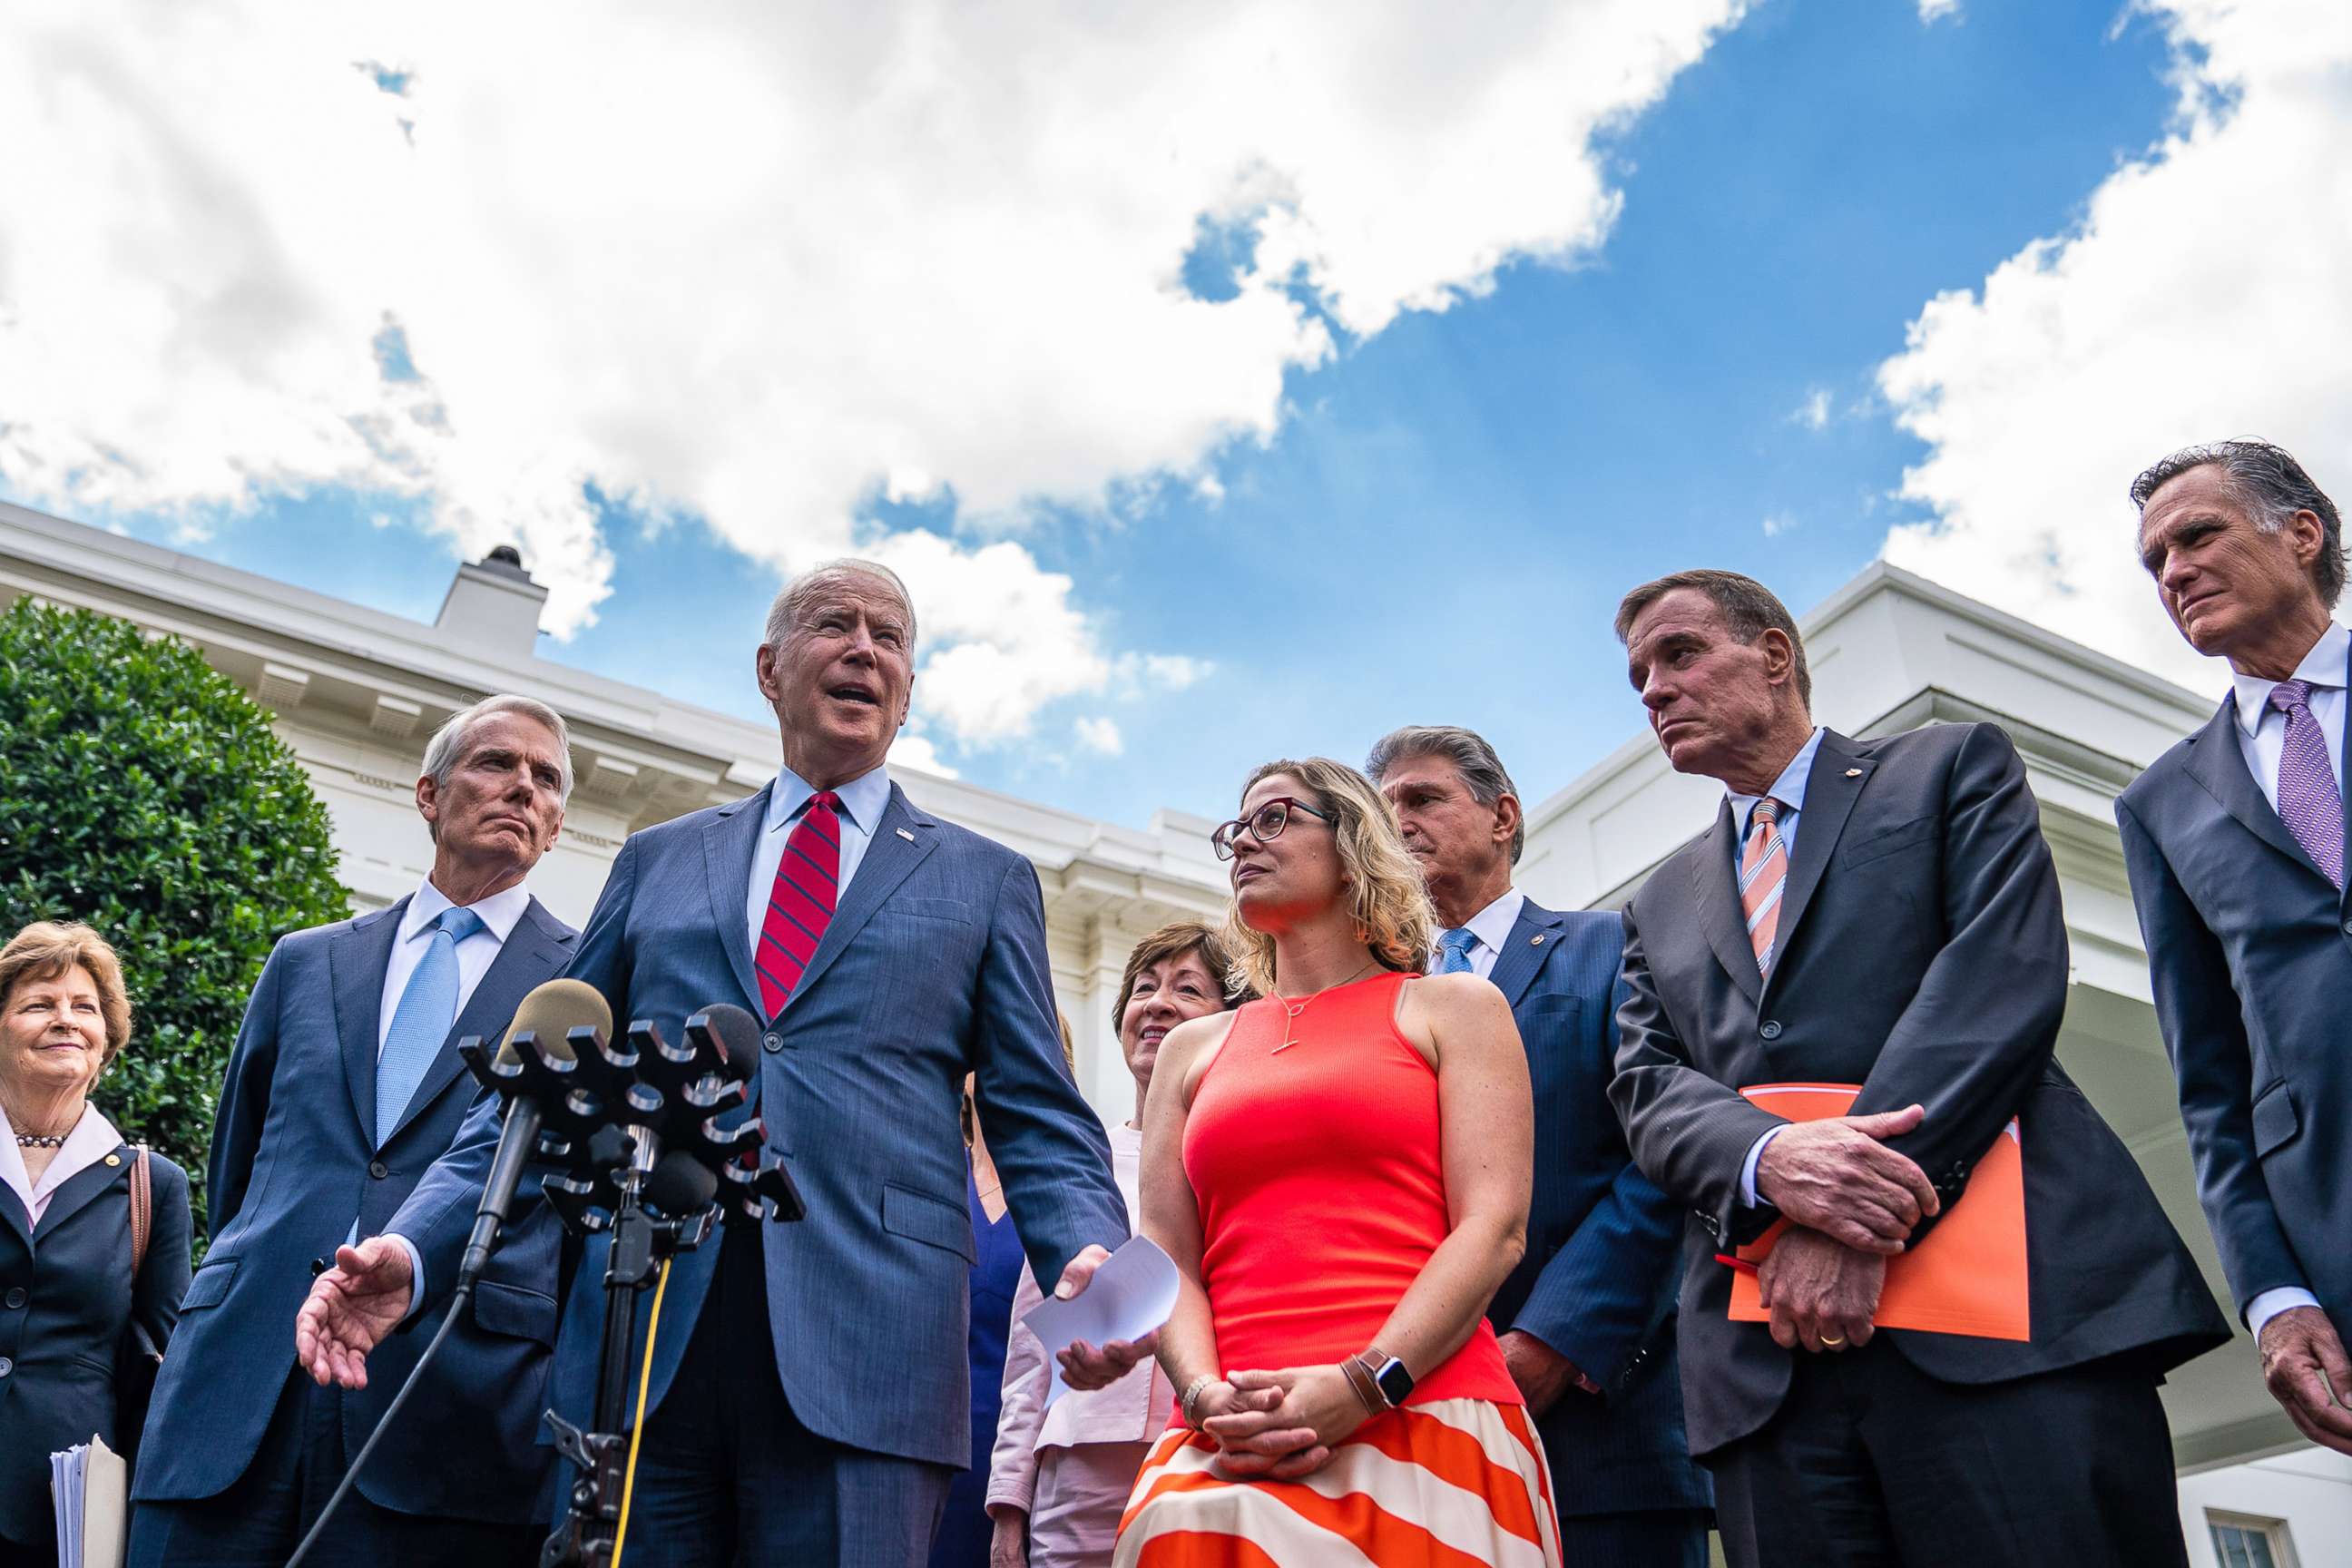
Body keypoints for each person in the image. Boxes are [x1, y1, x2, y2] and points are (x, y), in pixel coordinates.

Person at [298, 559, 1141, 1567]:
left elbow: (1038, 1114)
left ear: (907, 691)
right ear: (769, 668)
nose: (865, 648)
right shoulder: (660, 859)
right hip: (644, 1344)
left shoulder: (983, 879)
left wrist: (1088, 1253)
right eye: (834, 624)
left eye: (891, 637)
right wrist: (417, 1246)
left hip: (870, 1360)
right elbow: (542, 1088)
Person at [1609, 568, 2228, 1567]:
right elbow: (1644, 1085)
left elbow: (2000, 973)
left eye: (1680, 655)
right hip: (1770, 1376)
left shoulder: (1948, 769)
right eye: (1639, 673)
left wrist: (1861, 1210)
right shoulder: (1652, 905)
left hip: (2009, 1331)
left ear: (1773, 656)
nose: (1654, 689)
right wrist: (1774, 1165)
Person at [128, 695, 579, 1567]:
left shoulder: (581, 981)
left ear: (557, 828)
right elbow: (241, 1168)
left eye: (546, 779)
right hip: (238, 1385)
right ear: (429, 794)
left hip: (443, 1406)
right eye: (495, 764)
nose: (522, 787)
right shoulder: (306, 959)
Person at [1118, 759, 1558, 1566]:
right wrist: (1206, 1399)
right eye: (1236, 831)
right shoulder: (1191, 1050)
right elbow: (1165, 1257)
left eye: (1275, 818)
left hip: (1428, 1412)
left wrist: (1362, 1385)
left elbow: (1494, 1228)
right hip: (1228, 1442)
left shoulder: (1454, 1007)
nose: (1246, 840)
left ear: (1355, 841)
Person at [1368, 724, 1712, 1565]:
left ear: (1503, 817)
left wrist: (1558, 1340)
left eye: (1422, 799)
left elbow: (1660, 1151)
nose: (1399, 825)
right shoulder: (1372, 1000)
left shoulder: (1614, 946)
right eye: (1381, 814)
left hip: (1594, 1435)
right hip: (1396, 1439)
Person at [2116, 440, 2352, 1457]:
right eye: (2155, 560)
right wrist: (2273, 1291)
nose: (2173, 572)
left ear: (2302, 533)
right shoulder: (2160, 803)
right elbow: (2208, 1082)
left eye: (2195, 535)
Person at [989, 923, 1248, 1568]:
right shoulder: (1077, 1166)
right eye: (1144, 987)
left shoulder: (1247, 1160)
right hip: (1080, 1464)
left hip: (1213, 1448)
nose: (1157, 1003)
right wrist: (1009, 1502)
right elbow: (1031, 1352)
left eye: (1188, 988)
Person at [0, 922, 191, 1564]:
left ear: (106, 1037)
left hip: (62, 1517)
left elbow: (170, 1366)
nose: (65, 1020)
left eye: (84, 1007)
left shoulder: (151, 1186)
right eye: (37, 1005)